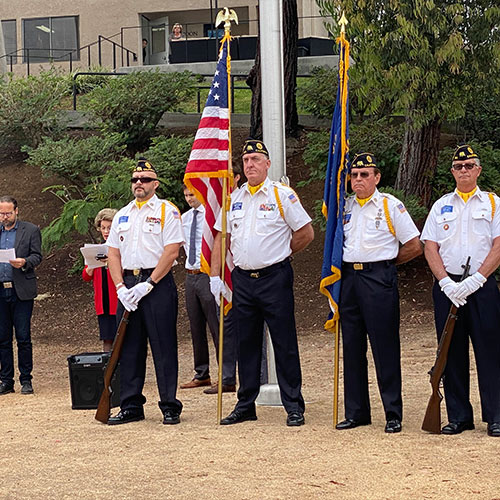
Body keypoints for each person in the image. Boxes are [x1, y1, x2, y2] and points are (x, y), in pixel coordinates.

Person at [211, 139, 314, 426]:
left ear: (267, 164)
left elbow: (306, 232)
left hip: (274, 278)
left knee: (284, 342)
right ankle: (246, 404)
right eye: (246, 161)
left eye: (256, 159)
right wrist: (216, 276)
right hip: (243, 280)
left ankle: (293, 404)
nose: (250, 165)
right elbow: (223, 237)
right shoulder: (234, 198)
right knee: (246, 343)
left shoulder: (282, 194)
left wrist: (280, 253)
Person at [335, 153, 422, 433]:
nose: (358, 179)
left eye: (364, 175)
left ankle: (392, 413)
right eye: (354, 175)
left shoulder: (389, 205)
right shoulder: (345, 206)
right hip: (350, 279)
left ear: (377, 177)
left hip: (378, 279)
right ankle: (357, 412)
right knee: (352, 346)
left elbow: (413, 244)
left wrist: (385, 264)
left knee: (384, 347)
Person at [421, 145, 500, 437]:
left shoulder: (492, 203)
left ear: (478, 170)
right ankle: (458, 416)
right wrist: (445, 282)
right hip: (448, 287)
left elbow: (498, 245)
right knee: (450, 352)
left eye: (469, 165)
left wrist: (476, 280)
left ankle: (495, 415)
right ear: (452, 171)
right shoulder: (441, 205)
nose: (463, 170)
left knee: (489, 350)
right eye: (458, 166)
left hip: (481, 286)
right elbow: (429, 246)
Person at [106, 158, 184, 425]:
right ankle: (131, 405)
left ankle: (169, 405)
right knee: (129, 347)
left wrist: (148, 283)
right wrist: (120, 287)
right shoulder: (122, 214)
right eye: (135, 180)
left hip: (157, 285)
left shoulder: (167, 210)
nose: (139, 183)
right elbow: (113, 253)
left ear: (156, 184)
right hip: (128, 285)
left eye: (145, 179)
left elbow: (171, 251)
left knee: (163, 346)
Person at [179, 185, 236, 393]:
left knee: (216, 323)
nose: (188, 198)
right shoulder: (184, 218)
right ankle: (201, 373)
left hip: (207, 273)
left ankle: (227, 374)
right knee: (195, 326)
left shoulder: (211, 216)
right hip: (190, 274)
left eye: (192, 194)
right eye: (185, 195)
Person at [0, 195, 42, 395]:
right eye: (1, 213)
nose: (5, 217)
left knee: (23, 337)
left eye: (8, 213)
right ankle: (6, 380)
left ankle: (26, 379)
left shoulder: (30, 230)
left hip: (21, 290)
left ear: (17, 211)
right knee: (2, 338)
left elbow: (37, 256)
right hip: (1, 289)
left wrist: (25, 262)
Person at [82, 208, 118, 352]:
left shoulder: (120, 248)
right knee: (107, 339)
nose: (106, 231)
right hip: (103, 302)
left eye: (109, 228)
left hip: (117, 300)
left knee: (122, 338)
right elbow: (86, 276)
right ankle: (108, 371)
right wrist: (91, 265)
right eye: (103, 228)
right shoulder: (95, 248)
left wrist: (110, 262)